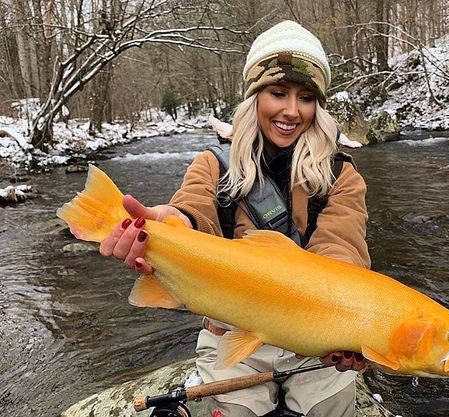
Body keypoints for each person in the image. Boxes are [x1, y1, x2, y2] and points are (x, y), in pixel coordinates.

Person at [100, 20, 371, 417]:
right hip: (230, 333)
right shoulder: (212, 165)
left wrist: (346, 327)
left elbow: (341, 249)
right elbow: (193, 214)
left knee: (327, 408)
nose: (291, 111)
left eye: (307, 97)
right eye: (278, 93)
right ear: (255, 97)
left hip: (313, 338)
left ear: (319, 106)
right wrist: (167, 225)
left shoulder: (341, 174)